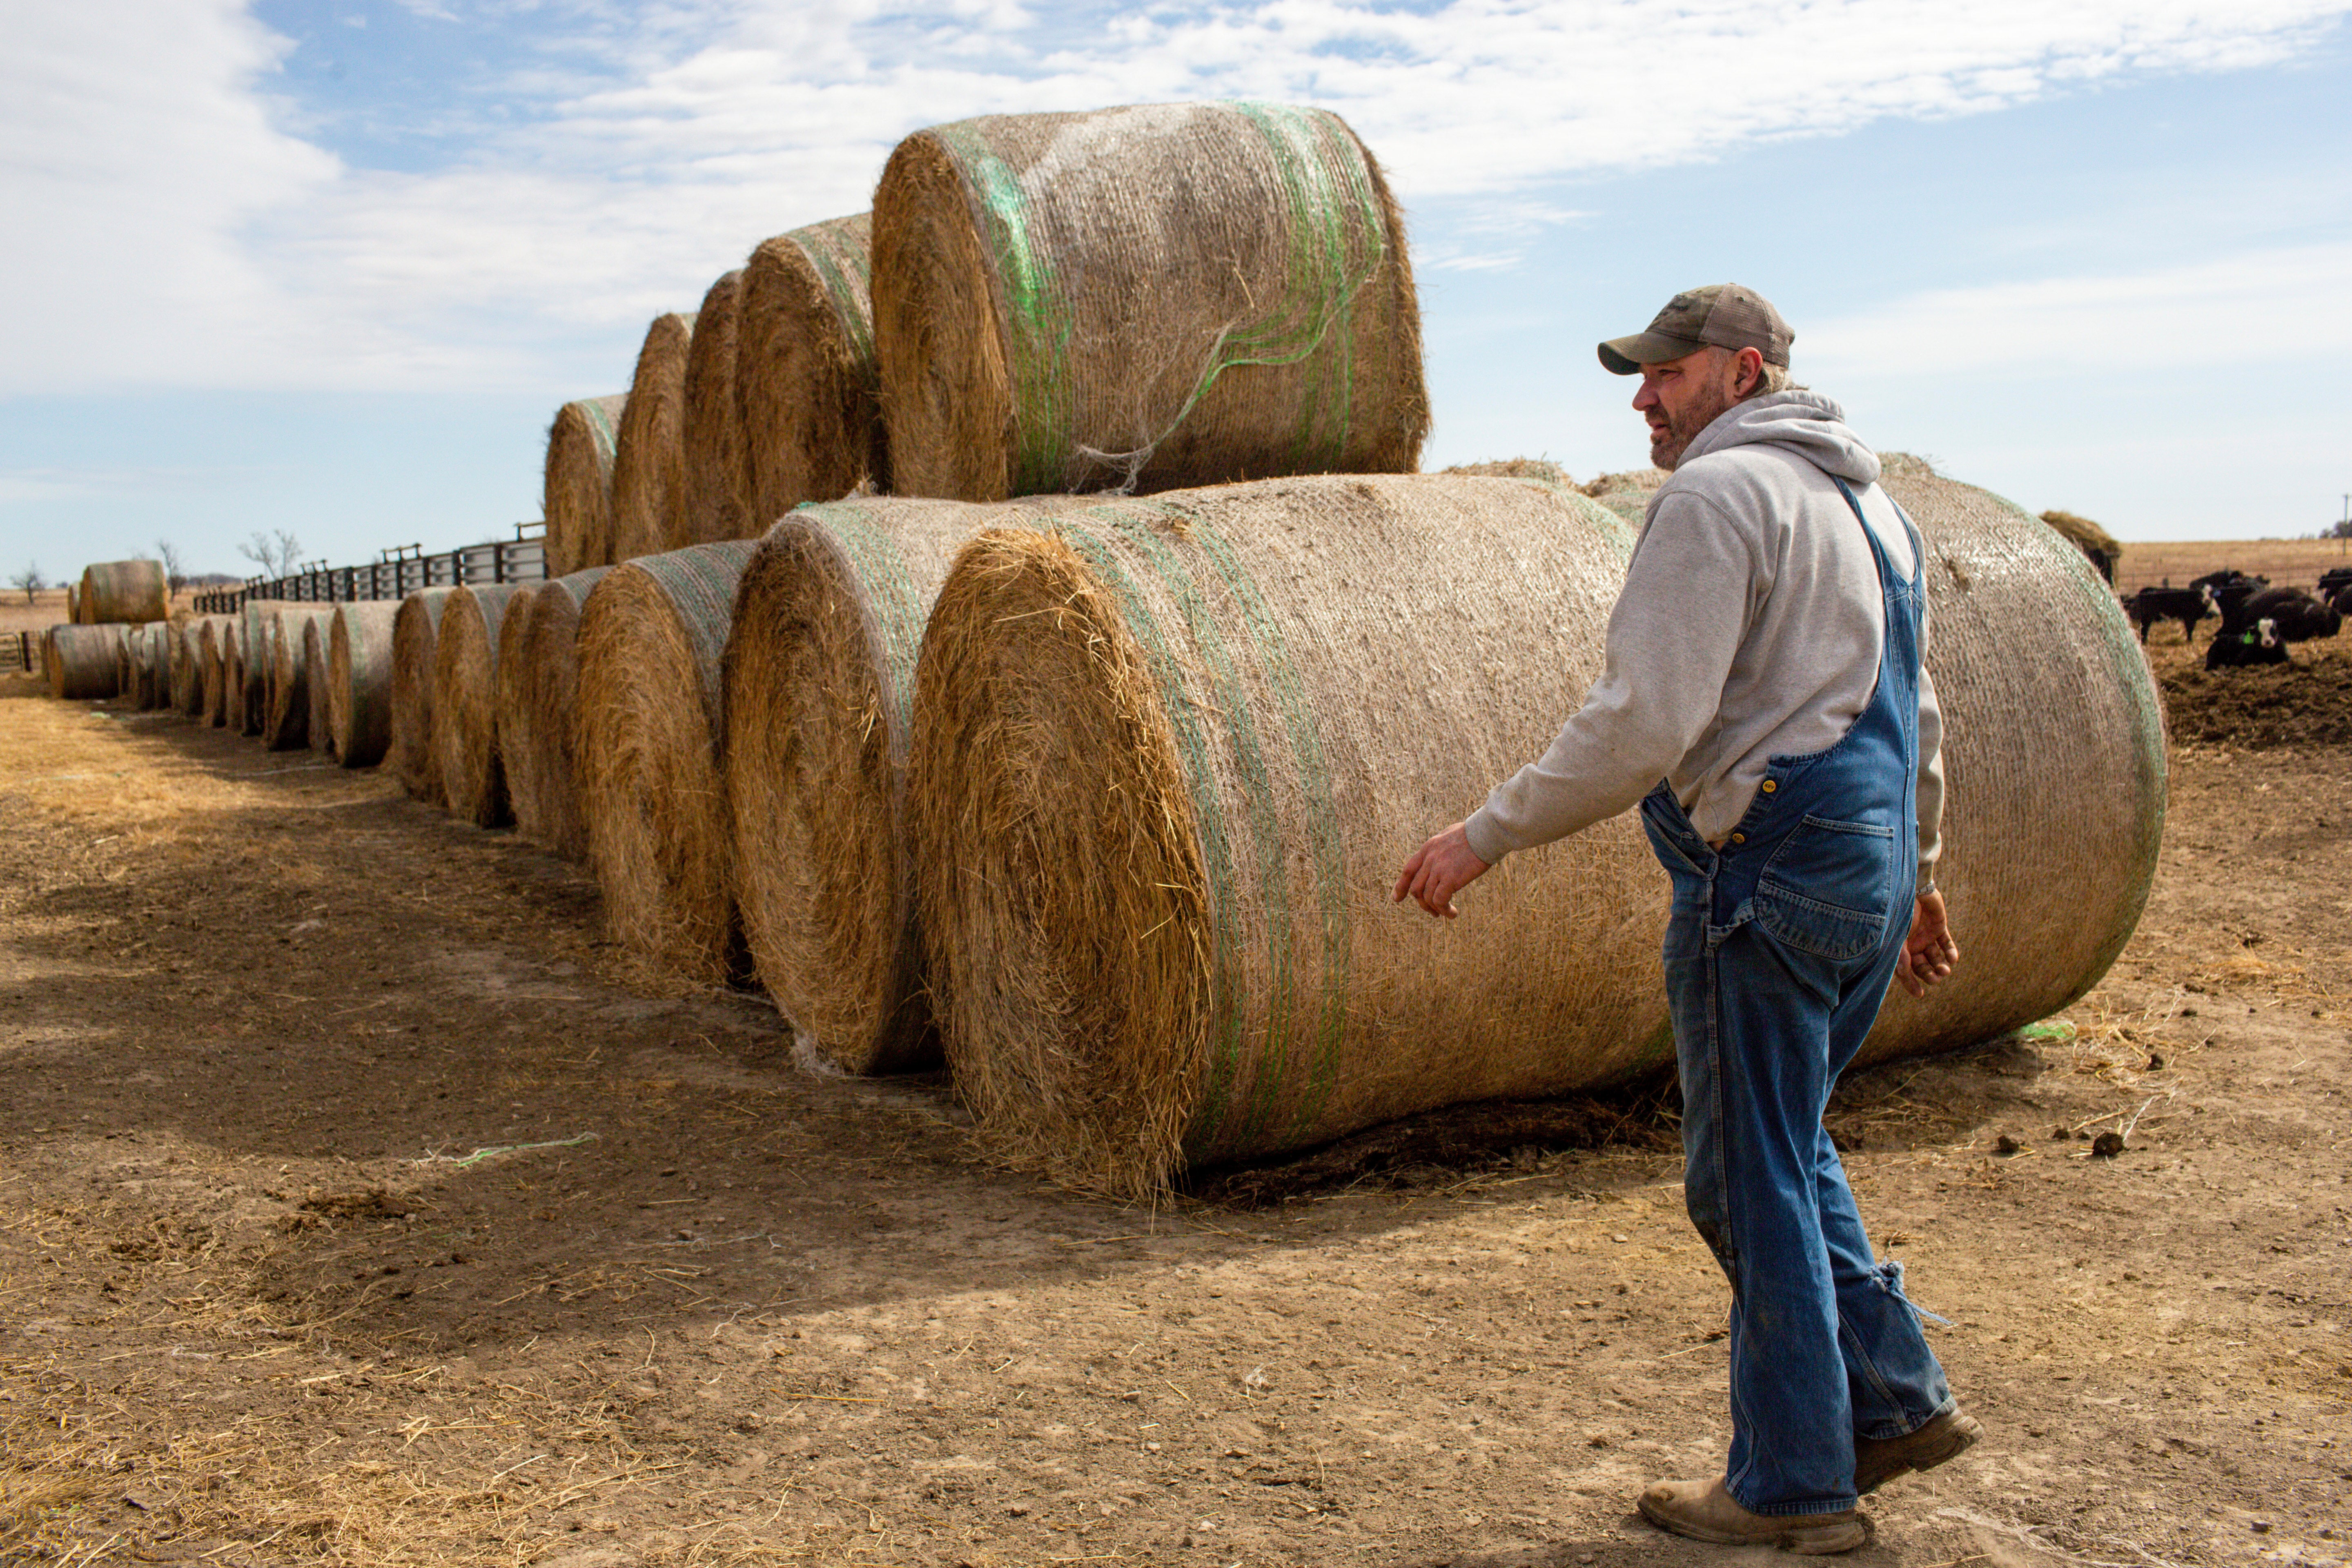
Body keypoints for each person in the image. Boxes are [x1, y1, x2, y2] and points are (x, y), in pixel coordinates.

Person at [1394, 284, 1978, 1552]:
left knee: (1743, 1178)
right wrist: (1922, 872)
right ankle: (1889, 1399)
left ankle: (1793, 1488)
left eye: (1669, 373)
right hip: (1867, 864)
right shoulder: (1874, 509)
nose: (1645, 397)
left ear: (1746, 373)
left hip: (1769, 875)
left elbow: (1643, 723)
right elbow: (1919, 715)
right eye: (1641, 376)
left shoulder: (1718, 496)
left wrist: (1480, 834)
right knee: (1791, 1147)